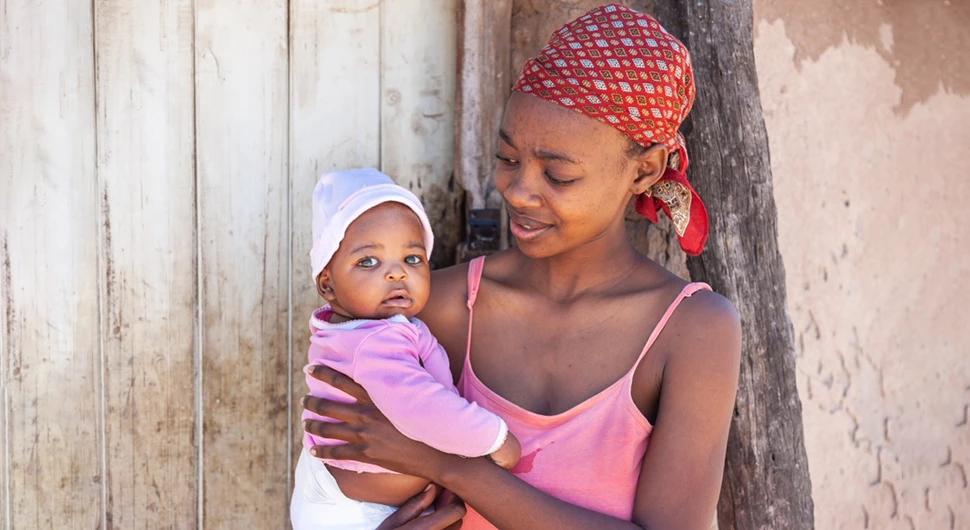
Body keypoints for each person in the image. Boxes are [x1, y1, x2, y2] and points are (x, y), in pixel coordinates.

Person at [302, 5, 741, 529]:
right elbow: (337, 478)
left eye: (557, 175)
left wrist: (448, 466)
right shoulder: (432, 307)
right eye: (508, 158)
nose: (516, 190)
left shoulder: (692, 331)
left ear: (645, 169)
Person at [291, 169, 521, 530]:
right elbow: (419, 405)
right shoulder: (373, 342)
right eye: (369, 261)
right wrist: (493, 437)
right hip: (355, 514)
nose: (397, 274)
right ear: (328, 284)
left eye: (412, 259)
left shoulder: (368, 329)